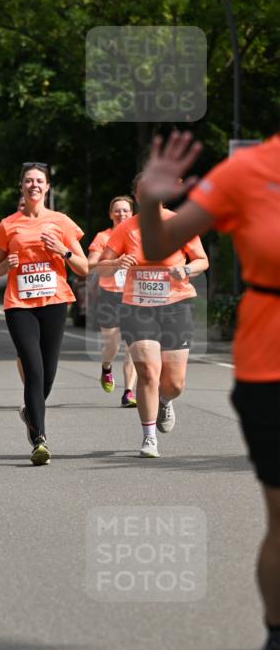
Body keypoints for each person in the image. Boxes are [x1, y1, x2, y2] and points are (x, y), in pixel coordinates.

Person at [138, 129, 280, 650]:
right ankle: (277, 644)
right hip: (271, 367)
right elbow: (161, 242)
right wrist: (151, 198)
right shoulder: (251, 170)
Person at [95, 177, 208, 458]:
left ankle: (165, 400)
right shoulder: (126, 228)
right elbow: (100, 268)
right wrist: (117, 263)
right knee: (147, 372)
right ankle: (148, 438)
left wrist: (188, 270)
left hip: (175, 306)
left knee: (175, 383)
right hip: (137, 307)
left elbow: (202, 260)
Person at [0, 161, 88, 465]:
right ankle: (40, 440)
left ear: (47, 187)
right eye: (28, 181)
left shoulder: (62, 222)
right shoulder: (8, 225)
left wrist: (63, 250)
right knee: (33, 368)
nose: (34, 185)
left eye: (39, 181)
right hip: (19, 305)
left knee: (48, 373)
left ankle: (30, 412)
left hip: (55, 302)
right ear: (22, 187)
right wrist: (7, 266)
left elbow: (84, 267)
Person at [88, 195, 138, 406]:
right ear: (110, 214)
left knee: (133, 346)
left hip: (135, 296)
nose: (121, 214)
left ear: (132, 213)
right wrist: (115, 263)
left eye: (125, 210)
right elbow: (91, 265)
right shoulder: (103, 237)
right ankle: (106, 366)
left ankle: (128, 392)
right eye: (117, 211)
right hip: (110, 296)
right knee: (113, 345)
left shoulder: (138, 235)